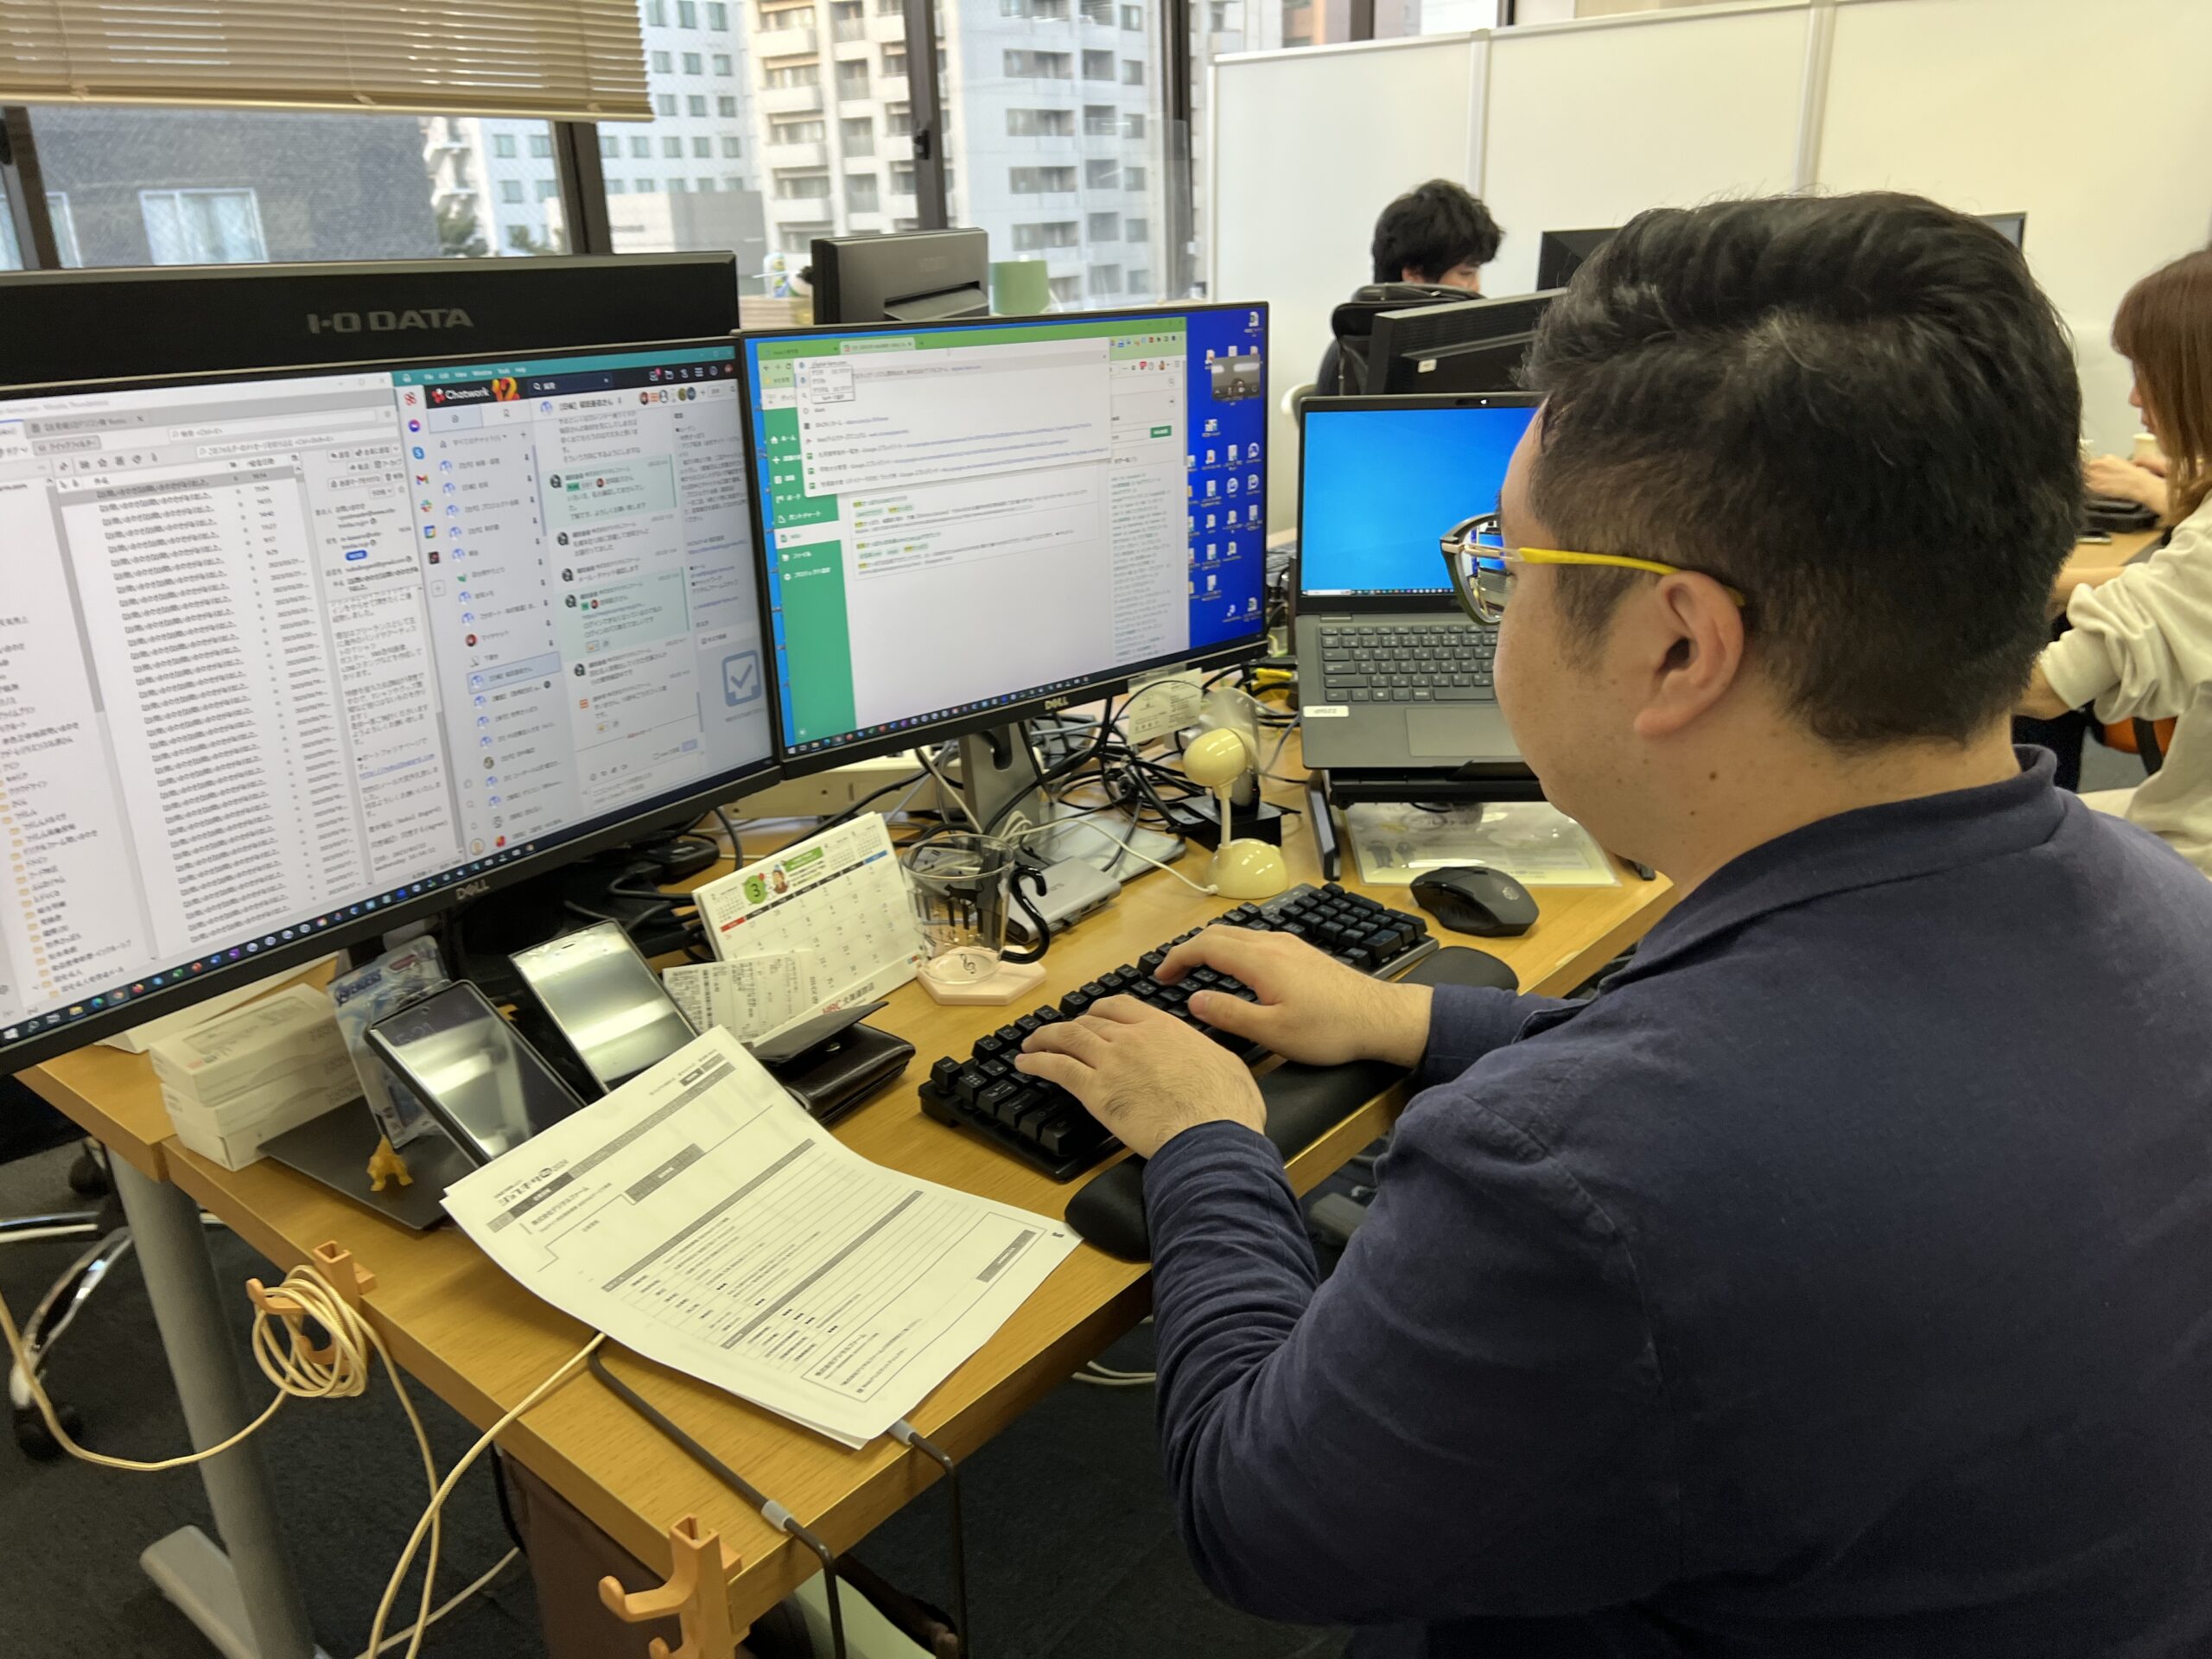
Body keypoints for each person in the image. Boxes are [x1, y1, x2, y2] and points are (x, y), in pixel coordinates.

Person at [1019, 196, 2212, 1655]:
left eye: (1503, 565)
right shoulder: (2168, 917)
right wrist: (1410, 1016)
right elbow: (1794, 1082)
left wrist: (1208, 1137)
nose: (1490, 605)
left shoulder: (1581, 1178)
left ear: (1677, 643)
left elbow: (1252, 1519)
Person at [2022, 247, 2212, 874]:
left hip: (2196, 853)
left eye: (2146, 372)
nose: (2134, 397)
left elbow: (2045, 689)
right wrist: (2054, 584)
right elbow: (2178, 585)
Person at [1313, 180, 1503, 395]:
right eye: (1466, 274)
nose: (1476, 287)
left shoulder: (1449, 349)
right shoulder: (1354, 362)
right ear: (1414, 275)